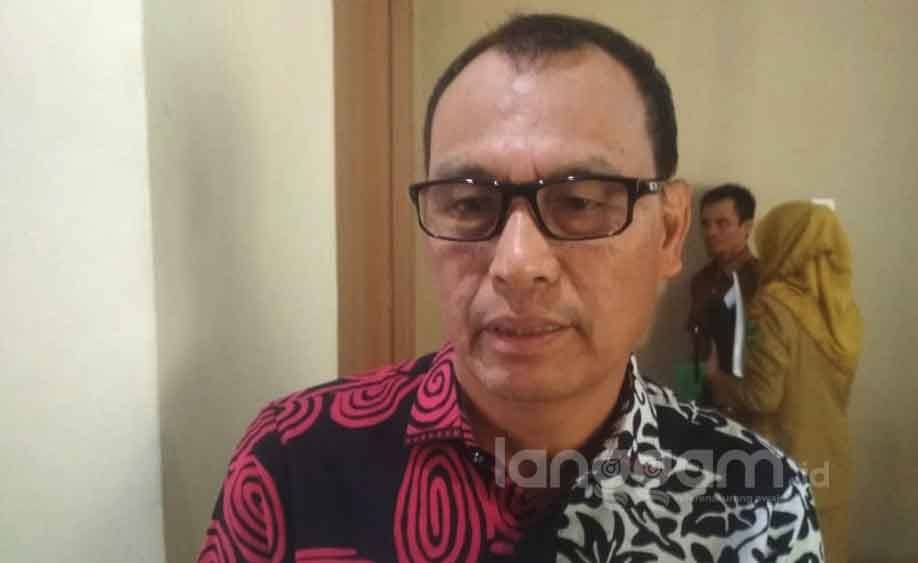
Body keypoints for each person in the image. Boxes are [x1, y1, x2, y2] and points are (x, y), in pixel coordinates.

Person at [198, 14, 824, 562]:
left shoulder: (755, 497)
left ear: (668, 231)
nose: (518, 264)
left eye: (580, 202)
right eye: (469, 205)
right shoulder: (297, 460)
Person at [705, 201, 862, 563]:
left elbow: (763, 396)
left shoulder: (773, 305)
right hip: (832, 462)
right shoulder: (843, 312)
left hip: (782, 464)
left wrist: (716, 379)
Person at [687, 184, 760, 389]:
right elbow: (696, 348)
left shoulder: (763, 281)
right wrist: (687, 395)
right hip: (703, 394)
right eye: (705, 224)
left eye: (722, 223)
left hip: (745, 397)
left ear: (747, 227)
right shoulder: (700, 281)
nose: (710, 232)